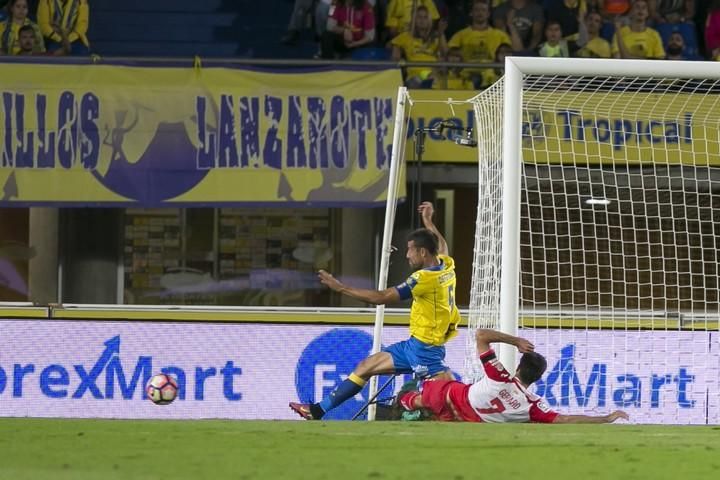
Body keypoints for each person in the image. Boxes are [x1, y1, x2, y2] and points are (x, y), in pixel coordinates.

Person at [289, 202, 462, 420]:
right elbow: (442, 246)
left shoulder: (423, 279)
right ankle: (317, 410)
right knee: (365, 366)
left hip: (424, 350)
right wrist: (428, 222)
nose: (407, 255)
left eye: (410, 249)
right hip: (414, 345)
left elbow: (381, 297)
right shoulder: (446, 265)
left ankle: (475, 413)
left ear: (422, 251)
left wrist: (341, 288)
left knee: (444, 401)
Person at [397, 328, 631, 424]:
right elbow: (565, 419)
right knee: (436, 410)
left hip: (449, 395)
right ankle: (416, 410)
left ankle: (407, 402)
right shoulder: (532, 406)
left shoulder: (500, 375)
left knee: (428, 388)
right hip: (465, 421)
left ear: (518, 368)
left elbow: (481, 335)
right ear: (538, 378)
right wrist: (606, 418)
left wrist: (516, 341)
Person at [447, 0, 512, 88]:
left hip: (492, 73)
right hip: (466, 72)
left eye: (483, 10)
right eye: (477, 10)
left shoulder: (500, 35)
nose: (480, 13)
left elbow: (509, 54)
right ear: (471, 13)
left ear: (488, 14)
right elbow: (450, 53)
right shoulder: (460, 35)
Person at [391, 6, 448, 87]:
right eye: (419, 17)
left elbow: (445, 53)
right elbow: (395, 56)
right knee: (420, 81)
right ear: (414, 19)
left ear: (429, 20)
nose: (422, 20)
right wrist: (399, 58)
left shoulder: (436, 37)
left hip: (433, 74)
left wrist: (441, 34)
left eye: (425, 17)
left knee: (437, 81)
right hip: (414, 76)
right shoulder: (406, 36)